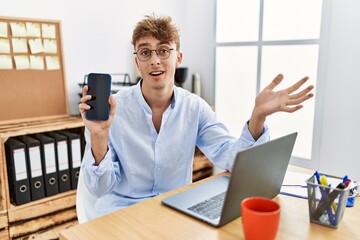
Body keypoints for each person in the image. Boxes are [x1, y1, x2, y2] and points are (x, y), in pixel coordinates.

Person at [78, 14, 314, 218]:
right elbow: (99, 188)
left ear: (178, 58)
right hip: (122, 214)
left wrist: (258, 117)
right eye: (145, 52)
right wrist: (98, 136)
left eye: (163, 50)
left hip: (174, 212)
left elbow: (230, 158)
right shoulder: (112, 109)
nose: (155, 60)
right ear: (137, 61)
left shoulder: (195, 108)